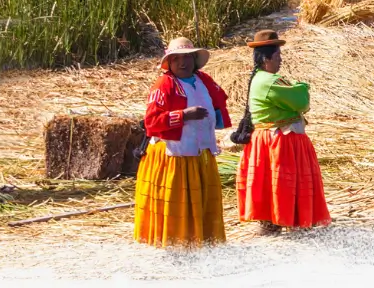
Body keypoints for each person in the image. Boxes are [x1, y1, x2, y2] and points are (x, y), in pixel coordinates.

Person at [134, 37, 231, 248]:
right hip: (175, 155)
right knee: (178, 202)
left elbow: (219, 104)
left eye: (187, 58)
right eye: (176, 59)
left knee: (201, 200)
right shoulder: (164, 84)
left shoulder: (204, 80)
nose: (182, 63)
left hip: (200, 152)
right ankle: (176, 243)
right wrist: (183, 115)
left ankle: (202, 240)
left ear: (195, 60)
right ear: (169, 63)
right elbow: (152, 122)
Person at [236, 30, 331, 233]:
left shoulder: (263, 79)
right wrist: (301, 87)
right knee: (282, 184)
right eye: (278, 56)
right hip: (278, 141)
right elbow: (301, 101)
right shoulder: (270, 82)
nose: (280, 60)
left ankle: (275, 223)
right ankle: (281, 221)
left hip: (274, 138)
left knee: (274, 184)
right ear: (266, 58)